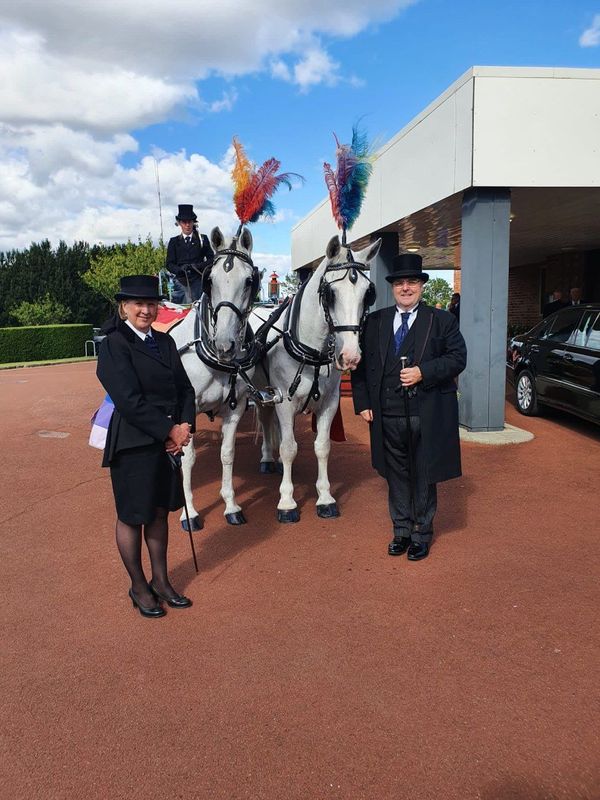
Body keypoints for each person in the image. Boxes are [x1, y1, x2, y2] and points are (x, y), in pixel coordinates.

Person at [351, 253, 467, 561]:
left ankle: (422, 533)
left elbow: (458, 358)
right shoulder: (374, 321)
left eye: (412, 282)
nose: (406, 288)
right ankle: (401, 530)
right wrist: (362, 402)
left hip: (426, 413)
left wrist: (423, 372)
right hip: (386, 413)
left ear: (421, 286)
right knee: (396, 473)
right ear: (392, 287)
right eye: (400, 282)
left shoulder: (442, 320)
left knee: (424, 473)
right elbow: (360, 366)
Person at [96, 275, 197, 617]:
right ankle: (139, 587)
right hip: (134, 442)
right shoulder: (113, 344)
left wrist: (185, 426)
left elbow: (185, 389)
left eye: (151, 303)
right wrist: (170, 430)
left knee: (157, 512)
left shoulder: (165, 342)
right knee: (132, 515)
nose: (145, 309)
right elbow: (128, 400)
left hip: (166, 441)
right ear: (123, 306)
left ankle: (162, 581)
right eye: (138, 303)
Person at [166, 204, 213, 303]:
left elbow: (211, 259)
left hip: (198, 278)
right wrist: (180, 270)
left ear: (193, 222)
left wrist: (197, 266)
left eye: (190, 222)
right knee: (184, 298)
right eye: (184, 222)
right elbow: (169, 264)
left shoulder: (203, 239)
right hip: (181, 280)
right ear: (179, 223)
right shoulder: (174, 242)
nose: (187, 225)